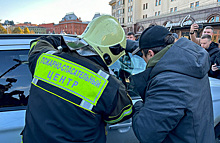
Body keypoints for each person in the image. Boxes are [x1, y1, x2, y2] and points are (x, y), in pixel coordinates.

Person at [22, 15, 133, 143]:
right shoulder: (110, 86)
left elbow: (38, 42)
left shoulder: (44, 59)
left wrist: (66, 40)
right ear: (114, 51)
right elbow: (122, 115)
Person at [130, 25, 215, 143]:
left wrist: (138, 105)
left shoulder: (166, 83)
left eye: (143, 56)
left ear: (150, 54)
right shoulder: (190, 64)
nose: (144, 61)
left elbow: (146, 134)